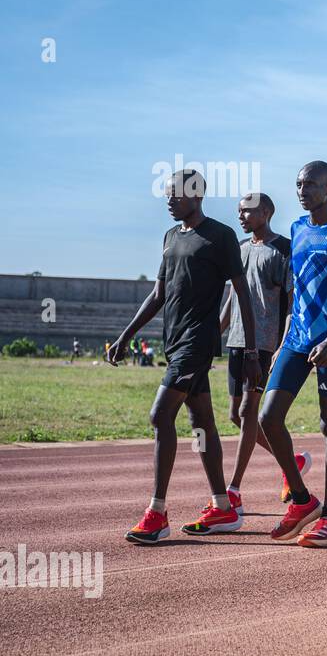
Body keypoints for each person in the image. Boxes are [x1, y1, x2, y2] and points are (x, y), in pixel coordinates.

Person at [109, 169, 260, 544]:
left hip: (197, 342)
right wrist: (126, 335)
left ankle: (157, 513)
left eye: (175, 193)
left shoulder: (221, 236)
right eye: (167, 193)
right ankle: (222, 504)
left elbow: (243, 295)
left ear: (197, 195)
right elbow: (158, 294)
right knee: (202, 422)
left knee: (161, 415)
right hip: (174, 341)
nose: (169, 199)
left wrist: (252, 351)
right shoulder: (170, 237)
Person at [255, 160, 327, 548]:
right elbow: (297, 289)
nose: (302, 190)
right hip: (297, 338)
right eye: (299, 184)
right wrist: (286, 337)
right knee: (267, 417)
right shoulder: (297, 229)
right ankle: (304, 500)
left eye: (311, 184)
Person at [195, 192, 293, 527]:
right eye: (238, 211)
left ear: (267, 212)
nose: (241, 216)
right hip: (236, 341)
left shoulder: (283, 250)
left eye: (248, 211)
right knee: (235, 416)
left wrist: (283, 345)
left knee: (247, 412)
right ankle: (289, 462)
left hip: (264, 345)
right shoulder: (237, 247)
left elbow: (291, 304)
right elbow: (231, 299)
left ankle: (233, 491)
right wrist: (213, 336)